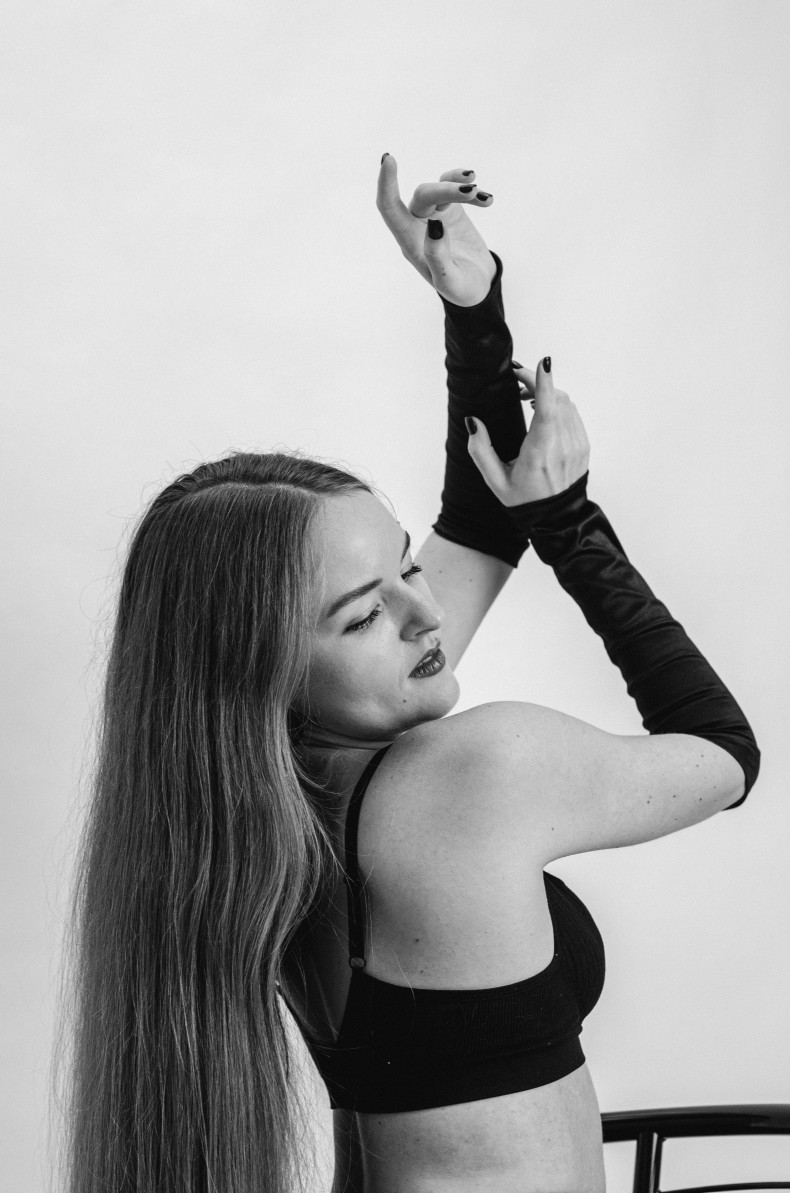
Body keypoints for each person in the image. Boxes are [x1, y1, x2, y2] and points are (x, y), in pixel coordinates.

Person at [57, 157, 759, 1193]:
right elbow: (722, 754)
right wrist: (571, 524)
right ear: (263, 672)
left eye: (403, 568)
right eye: (363, 612)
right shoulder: (469, 777)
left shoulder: (253, 807)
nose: (423, 611)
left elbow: (476, 525)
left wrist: (472, 311)